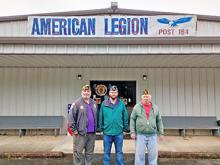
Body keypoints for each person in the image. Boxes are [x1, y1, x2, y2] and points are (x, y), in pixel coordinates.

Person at [130, 89, 164, 165]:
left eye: (147, 96)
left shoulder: (155, 107)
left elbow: (159, 120)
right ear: (142, 98)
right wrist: (132, 132)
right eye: (144, 97)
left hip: (152, 135)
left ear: (150, 98)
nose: (146, 98)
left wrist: (161, 132)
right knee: (139, 156)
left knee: (153, 156)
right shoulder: (137, 107)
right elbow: (132, 119)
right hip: (140, 135)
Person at [98, 85, 129, 165]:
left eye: (115, 92)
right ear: (109, 93)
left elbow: (125, 116)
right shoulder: (104, 103)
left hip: (118, 132)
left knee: (119, 152)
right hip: (107, 133)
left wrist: (125, 129)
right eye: (112, 92)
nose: (113, 94)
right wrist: (100, 129)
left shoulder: (121, 104)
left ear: (117, 93)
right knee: (106, 152)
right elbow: (101, 116)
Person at [68, 85, 98, 165]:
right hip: (80, 134)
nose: (86, 93)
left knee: (89, 154)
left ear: (90, 92)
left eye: (88, 91)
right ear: (81, 92)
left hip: (91, 134)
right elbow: (71, 118)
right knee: (78, 153)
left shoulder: (94, 103)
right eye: (84, 91)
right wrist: (74, 130)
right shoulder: (76, 103)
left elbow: (96, 116)